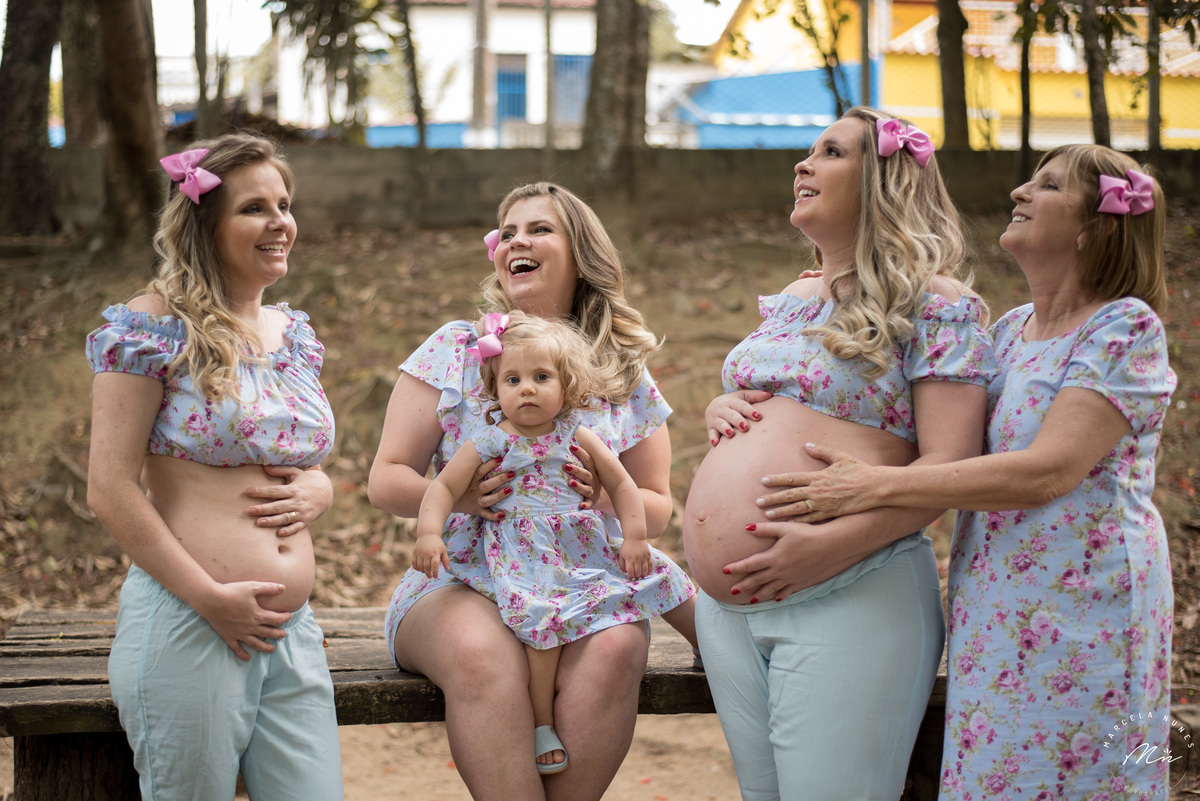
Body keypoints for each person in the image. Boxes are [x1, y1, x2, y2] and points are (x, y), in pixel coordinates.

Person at [759, 144, 1177, 798]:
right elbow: (934, 437)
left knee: (1077, 779)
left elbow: (1049, 470)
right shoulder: (1010, 332)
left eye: (1046, 186)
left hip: (1085, 605)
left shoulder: (1124, 327)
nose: (1018, 192)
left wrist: (875, 486)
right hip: (995, 604)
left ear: (1095, 227)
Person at [681, 106, 998, 801]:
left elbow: (946, 471)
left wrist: (827, 549)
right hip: (729, 611)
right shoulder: (793, 298)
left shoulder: (937, 304)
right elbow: (778, 409)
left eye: (830, 152)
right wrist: (721, 406)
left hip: (850, 585)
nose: (803, 164)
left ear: (883, 180)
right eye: (807, 151)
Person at [369, 182, 696, 800]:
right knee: (482, 653)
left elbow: (654, 503)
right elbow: (385, 479)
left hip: (575, 577)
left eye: (539, 229)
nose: (518, 239)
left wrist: (598, 496)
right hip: (461, 579)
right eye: (509, 230)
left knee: (619, 646)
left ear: (582, 255)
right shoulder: (458, 349)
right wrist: (463, 498)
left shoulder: (623, 368)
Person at [85, 133, 344, 800]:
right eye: (255, 207)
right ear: (205, 222)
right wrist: (211, 600)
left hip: (290, 630)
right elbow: (110, 489)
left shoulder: (294, 334)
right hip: (190, 620)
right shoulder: (151, 327)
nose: (280, 221)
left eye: (284, 204)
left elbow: (298, 455)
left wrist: (322, 484)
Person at [412, 311, 695, 775]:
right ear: (494, 388)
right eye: (513, 379)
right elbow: (442, 488)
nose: (526, 388)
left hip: (584, 544)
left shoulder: (576, 433)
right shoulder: (487, 441)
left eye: (541, 377)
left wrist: (636, 537)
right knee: (539, 622)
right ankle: (542, 722)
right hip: (525, 554)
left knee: (662, 574)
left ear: (566, 387)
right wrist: (428, 532)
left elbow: (623, 485)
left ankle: (714, 652)